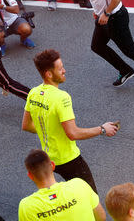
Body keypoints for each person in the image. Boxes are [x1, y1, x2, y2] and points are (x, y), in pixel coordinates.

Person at [22, 49, 118, 192]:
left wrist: (50, 130)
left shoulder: (34, 92)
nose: (64, 71)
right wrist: (102, 129)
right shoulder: (62, 97)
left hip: (49, 159)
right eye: (60, 69)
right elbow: (72, 133)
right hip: (69, 160)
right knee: (91, 199)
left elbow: (26, 125)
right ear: (48, 74)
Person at [18, 149, 106, 221]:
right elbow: (101, 217)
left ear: (30, 175)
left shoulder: (26, 206)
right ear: (52, 165)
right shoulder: (79, 184)